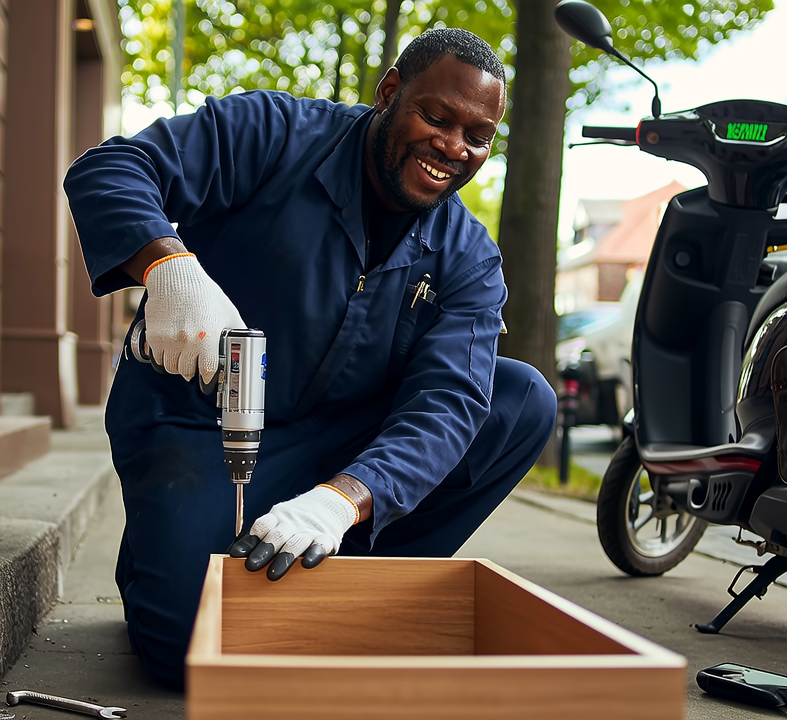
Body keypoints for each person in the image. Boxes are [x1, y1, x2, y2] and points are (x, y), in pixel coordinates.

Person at [64, 27, 558, 688]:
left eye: (476, 135)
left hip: (342, 443)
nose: (452, 147)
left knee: (519, 398)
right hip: (201, 425)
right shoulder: (272, 132)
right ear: (389, 92)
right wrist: (170, 270)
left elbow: (449, 402)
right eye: (436, 117)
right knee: (184, 654)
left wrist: (345, 499)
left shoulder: (468, 257)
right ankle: (177, 551)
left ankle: (353, 589)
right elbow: (111, 167)